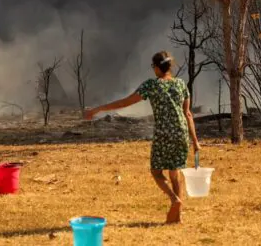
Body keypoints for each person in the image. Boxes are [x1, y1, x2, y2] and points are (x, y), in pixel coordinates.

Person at [85, 51, 200, 224]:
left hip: (163, 133)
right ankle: (178, 217)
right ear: (170, 67)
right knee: (175, 173)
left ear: (156, 68)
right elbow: (188, 114)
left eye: (153, 66)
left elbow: (125, 102)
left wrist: (98, 109)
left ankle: (174, 199)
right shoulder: (181, 84)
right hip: (181, 133)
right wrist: (196, 141)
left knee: (156, 172)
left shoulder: (151, 86)